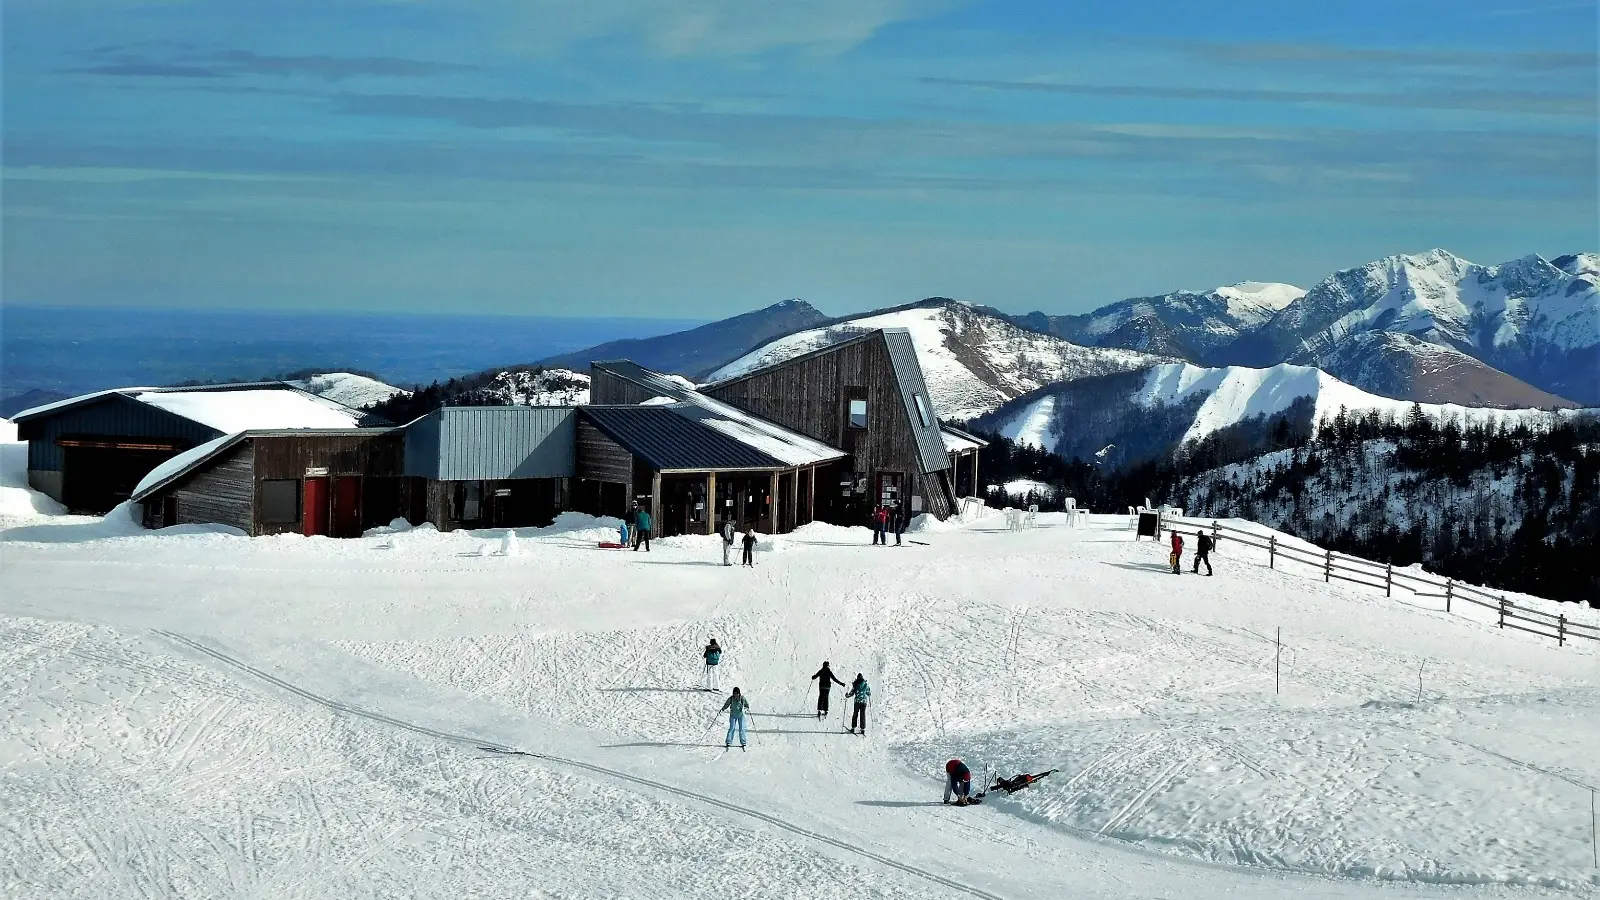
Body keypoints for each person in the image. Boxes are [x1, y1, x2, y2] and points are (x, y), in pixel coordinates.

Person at [989, 769, 1057, 794]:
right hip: (1014, 783)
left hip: (1015, 783)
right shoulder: (1010, 784)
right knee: (1037, 777)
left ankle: (1051, 772)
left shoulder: (1009, 784)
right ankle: (1050, 772)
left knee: (1037, 776)